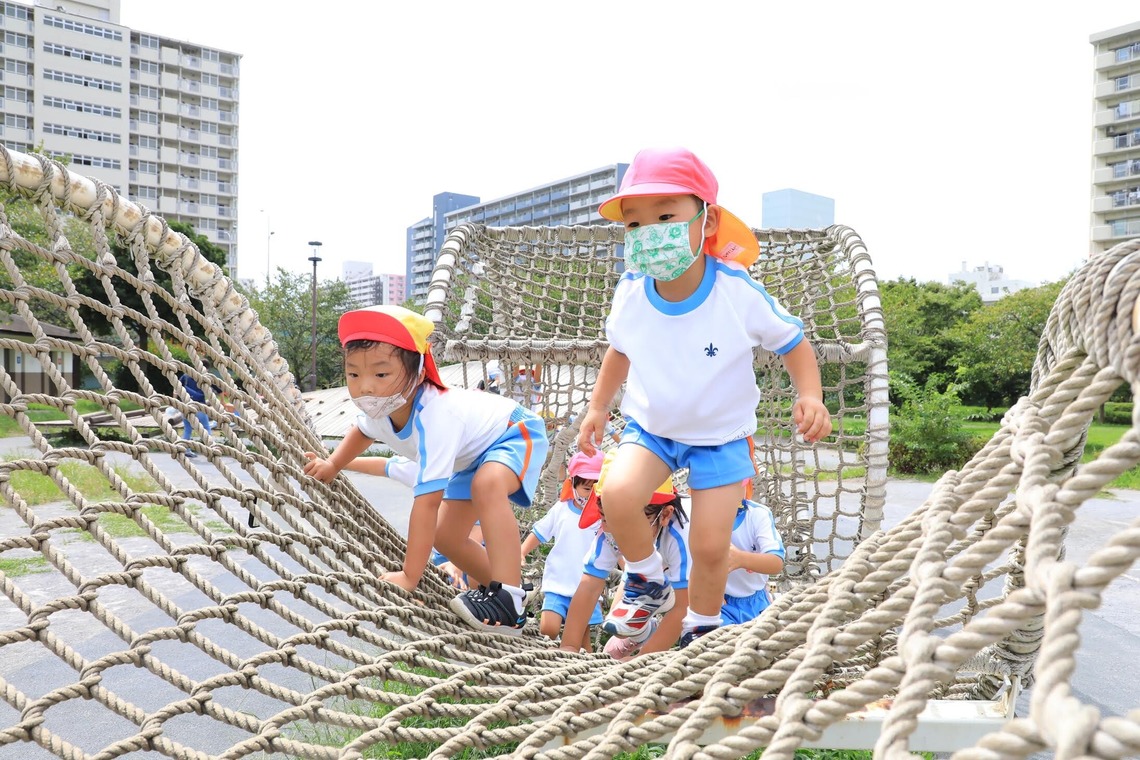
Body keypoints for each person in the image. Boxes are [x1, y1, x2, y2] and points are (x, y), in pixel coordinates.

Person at [575, 147, 832, 648]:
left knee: (711, 545)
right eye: (634, 224)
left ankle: (703, 628)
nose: (650, 232)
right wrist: (598, 406)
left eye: (666, 216)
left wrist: (811, 395)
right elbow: (619, 350)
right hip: (652, 427)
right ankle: (648, 578)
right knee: (617, 495)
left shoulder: (735, 291)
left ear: (706, 220)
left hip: (721, 435)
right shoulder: (631, 290)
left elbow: (793, 342)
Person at [302, 305, 549, 636]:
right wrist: (333, 464)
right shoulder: (382, 407)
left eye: (380, 374)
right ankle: (504, 590)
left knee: (487, 485)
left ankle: (508, 599)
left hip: (512, 431)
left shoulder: (436, 416)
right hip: (470, 458)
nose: (366, 388)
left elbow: (427, 503)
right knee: (445, 537)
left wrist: (410, 576)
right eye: (353, 375)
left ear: (418, 372)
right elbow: (362, 432)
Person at [560, 450, 692, 657]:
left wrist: (642, 660)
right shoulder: (610, 530)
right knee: (618, 627)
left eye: (629, 523)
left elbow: (686, 605)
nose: (615, 529)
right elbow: (589, 586)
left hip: (705, 573)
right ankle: (645, 632)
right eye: (605, 518)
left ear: (664, 515)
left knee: (701, 629)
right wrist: (569, 645)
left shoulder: (681, 533)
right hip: (647, 570)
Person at [520, 450, 605, 650]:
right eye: (586, 489)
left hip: (587, 588)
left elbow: (616, 546)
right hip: (559, 583)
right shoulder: (562, 509)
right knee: (548, 629)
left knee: (582, 643)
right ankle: (557, 656)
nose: (590, 494)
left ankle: (581, 668)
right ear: (573, 483)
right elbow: (540, 533)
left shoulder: (604, 517)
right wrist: (522, 551)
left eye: (596, 489)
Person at [720, 498, 785, 625]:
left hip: (755, 599)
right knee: (725, 640)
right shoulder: (701, 518)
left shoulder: (757, 514)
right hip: (720, 602)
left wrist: (742, 559)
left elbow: (776, 562)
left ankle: (770, 597)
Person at [178, 362, 220, 458]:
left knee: (187, 429)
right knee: (206, 427)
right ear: (206, 368)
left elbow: (176, 388)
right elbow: (218, 389)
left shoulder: (186, 376)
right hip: (199, 406)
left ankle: (184, 449)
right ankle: (210, 448)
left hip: (185, 406)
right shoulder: (204, 377)